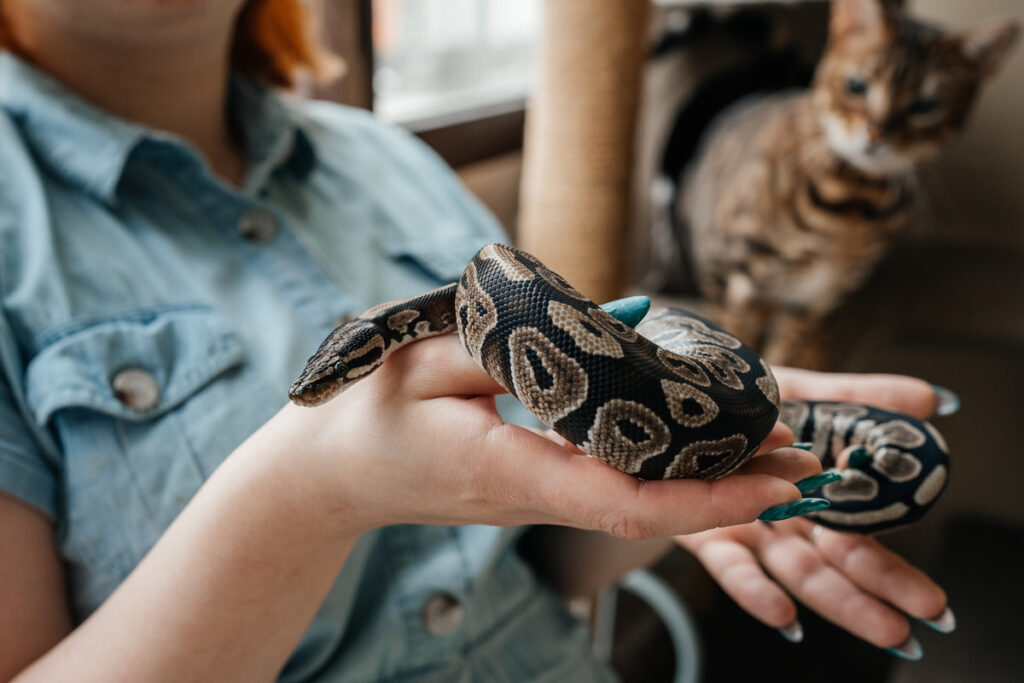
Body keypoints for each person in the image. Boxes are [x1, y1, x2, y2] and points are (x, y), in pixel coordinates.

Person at [0, 1, 951, 680]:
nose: (328, 381)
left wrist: (655, 504)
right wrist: (308, 494)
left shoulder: (386, 161)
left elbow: (539, 559)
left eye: (340, 367)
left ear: (370, 348)